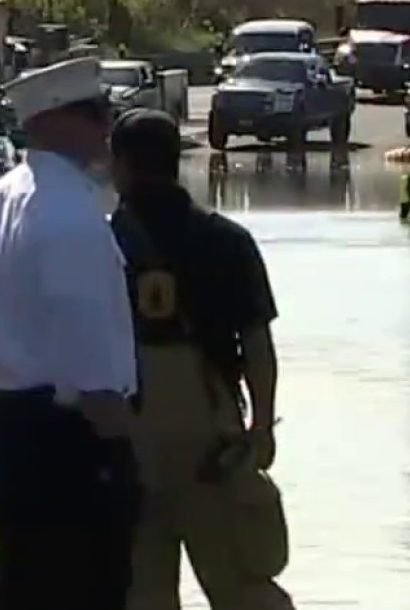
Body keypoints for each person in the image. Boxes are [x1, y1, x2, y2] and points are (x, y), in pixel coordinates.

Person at [0, 57, 141, 610]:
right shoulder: (68, 214)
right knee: (84, 589)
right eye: (95, 114)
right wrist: (131, 453)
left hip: (6, 426)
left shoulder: (0, 197)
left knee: (16, 586)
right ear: (59, 121)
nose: (106, 126)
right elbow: (92, 371)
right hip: (65, 441)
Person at [106, 109, 293, 610]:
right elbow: (257, 344)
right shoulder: (226, 240)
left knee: (141, 592)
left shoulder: (100, 244)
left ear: (118, 164)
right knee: (243, 584)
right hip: (212, 437)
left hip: (127, 436)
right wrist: (262, 426)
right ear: (177, 162)